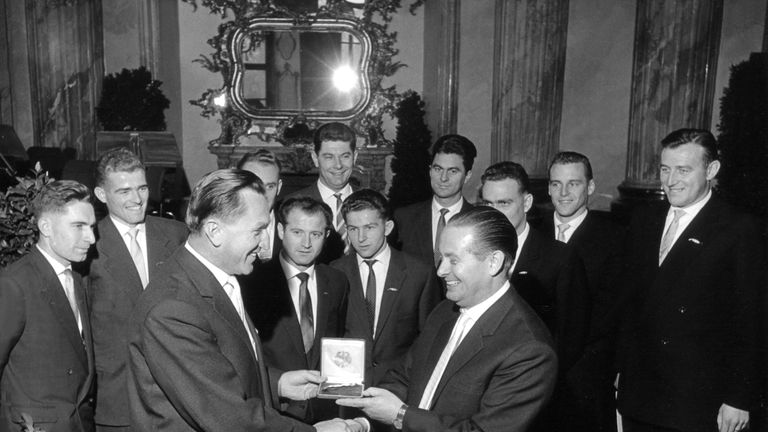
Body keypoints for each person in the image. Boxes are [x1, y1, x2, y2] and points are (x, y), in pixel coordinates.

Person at [126, 169, 359, 432]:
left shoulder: (220, 277)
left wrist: (277, 384)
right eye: (257, 231)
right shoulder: (174, 308)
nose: (265, 243)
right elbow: (228, 417)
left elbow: (218, 367)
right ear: (214, 231)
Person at [338, 206, 558, 432]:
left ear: (494, 262)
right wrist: (359, 424)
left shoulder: (529, 350)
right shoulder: (445, 311)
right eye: (441, 258)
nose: (441, 270)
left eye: (453, 260)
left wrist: (401, 415)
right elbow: (405, 377)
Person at [616, 129, 765, 432]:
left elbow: (753, 322)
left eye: (683, 170)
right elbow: (629, 305)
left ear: (711, 170)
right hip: (640, 393)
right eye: (665, 169)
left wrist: (739, 398)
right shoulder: (644, 219)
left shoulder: (739, 229)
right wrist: (620, 367)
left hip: (696, 399)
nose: (671, 181)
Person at [479, 161, 590, 430]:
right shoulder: (473, 255)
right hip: (481, 389)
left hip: (535, 395)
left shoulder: (559, 258)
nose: (494, 213)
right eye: (488, 204)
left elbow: (570, 336)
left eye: (504, 203)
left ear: (527, 202)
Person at [86, 148, 187, 432]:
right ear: (101, 194)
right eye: (124, 191)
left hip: (177, 398)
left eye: (142, 188)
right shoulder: (88, 245)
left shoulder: (177, 234)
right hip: (118, 400)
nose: (137, 199)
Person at [240, 196, 349, 423]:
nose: (306, 243)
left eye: (315, 234)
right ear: (281, 231)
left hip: (324, 413)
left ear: (327, 235)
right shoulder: (251, 283)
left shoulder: (337, 281)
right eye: (297, 232)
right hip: (273, 411)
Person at [0, 180, 97, 432]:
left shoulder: (76, 277)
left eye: (91, 227)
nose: (91, 238)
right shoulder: (14, 284)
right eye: (79, 226)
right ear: (46, 227)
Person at [542, 151, 626, 432]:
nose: (563, 193)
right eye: (556, 184)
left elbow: (611, 313)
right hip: (535, 369)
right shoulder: (532, 231)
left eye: (573, 184)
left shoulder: (614, 238)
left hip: (585, 375)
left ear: (590, 187)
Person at [331, 189, 441, 387]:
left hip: (399, 386)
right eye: (353, 229)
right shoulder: (334, 272)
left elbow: (429, 339)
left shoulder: (419, 273)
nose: (361, 237)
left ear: (388, 227)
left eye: (369, 227)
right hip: (346, 386)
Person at [393, 134, 475, 267]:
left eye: (453, 171)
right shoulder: (404, 218)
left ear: (467, 176)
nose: (443, 178)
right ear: (430, 170)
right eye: (438, 169)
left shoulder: (478, 220)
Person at [289, 122, 359, 263]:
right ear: (315, 159)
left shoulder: (373, 203)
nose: (338, 165)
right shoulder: (292, 205)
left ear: (355, 157)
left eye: (345, 156)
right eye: (329, 157)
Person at [237, 149, 283, 262]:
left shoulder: (292, 227)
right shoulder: (224, 230)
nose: (263, 195)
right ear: (238, 186)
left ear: (279, 187)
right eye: (255, 186)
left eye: (270, 186)